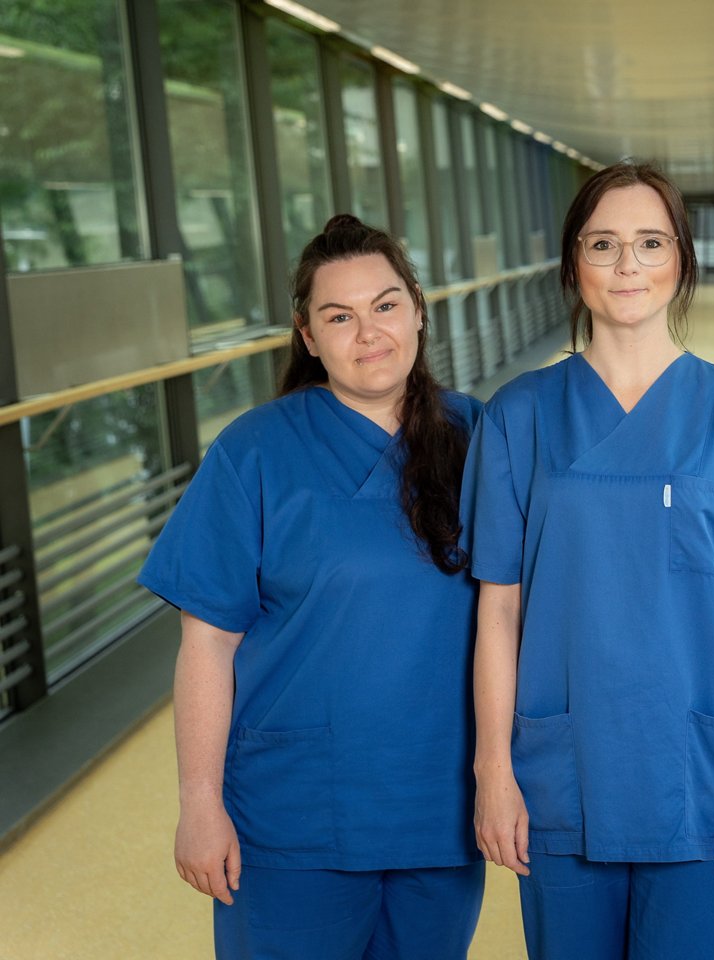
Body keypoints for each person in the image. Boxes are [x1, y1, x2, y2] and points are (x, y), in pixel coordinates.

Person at [461, 160, 714, 960]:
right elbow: (498, 609)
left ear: (681, 259)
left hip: (699, 772)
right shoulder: (520, 415)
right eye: (604, 244)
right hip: (562, 769)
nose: (627, 266)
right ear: (572, 264)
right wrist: (494, 769)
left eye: (650, 243)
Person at [138, 214, 485, 959]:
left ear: (418, 309)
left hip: (441, 808)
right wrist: (198, 803)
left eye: (385, 305)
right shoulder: (254, 452)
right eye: (340, 316)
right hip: (292, 815)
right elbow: (206, 644)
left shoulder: (479, 439)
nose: (368, 333)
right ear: (308, 335)